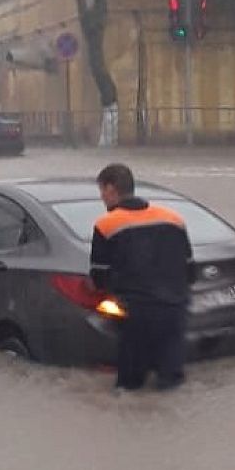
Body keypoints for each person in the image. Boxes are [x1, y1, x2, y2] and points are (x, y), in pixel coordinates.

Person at [90, 164, 195, 391]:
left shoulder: (106, 225)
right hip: (175, 310)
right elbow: (190, 269)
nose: (101, 197)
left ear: (111, 189)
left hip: (137, 313)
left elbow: (99, 277)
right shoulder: (173, 219)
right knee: (172, 383)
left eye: (102, 191)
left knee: (130, 386)